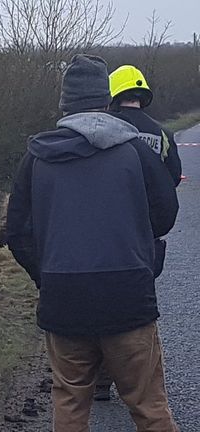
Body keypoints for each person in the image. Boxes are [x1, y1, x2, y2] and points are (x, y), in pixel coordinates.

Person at [6, 54, 179, 431]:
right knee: (149, 408)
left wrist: (46, 276)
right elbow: (165, 214)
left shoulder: (36, 158)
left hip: (63, 298)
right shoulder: (135, 151)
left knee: (69, 403)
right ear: (106, 100)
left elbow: (16, 232)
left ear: (63, 104)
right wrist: (136, 248)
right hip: (128, 297)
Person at [93, 64, 184, 402]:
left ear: (112, 95)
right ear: (142, 96)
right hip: (143, 233)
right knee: (138, 306)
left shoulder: (103, 130)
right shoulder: (161, 134)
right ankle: (138, 381)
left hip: (105, 228)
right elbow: (172, 181)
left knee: (102, 301)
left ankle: (101, 380)